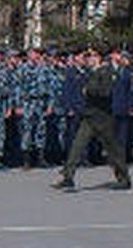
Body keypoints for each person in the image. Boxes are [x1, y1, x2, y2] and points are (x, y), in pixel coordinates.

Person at [53, 48, 128, 190]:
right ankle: (68, 176)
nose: (89, 59)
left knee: (112, 150)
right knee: (77, 146)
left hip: (103, 117)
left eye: (92, 56)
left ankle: (124, 177)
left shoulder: (106, 71)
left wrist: (89, 90)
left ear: (99, 58)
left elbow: (106, 92)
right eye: (88, 56)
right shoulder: (90, 71)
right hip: (89, 117)